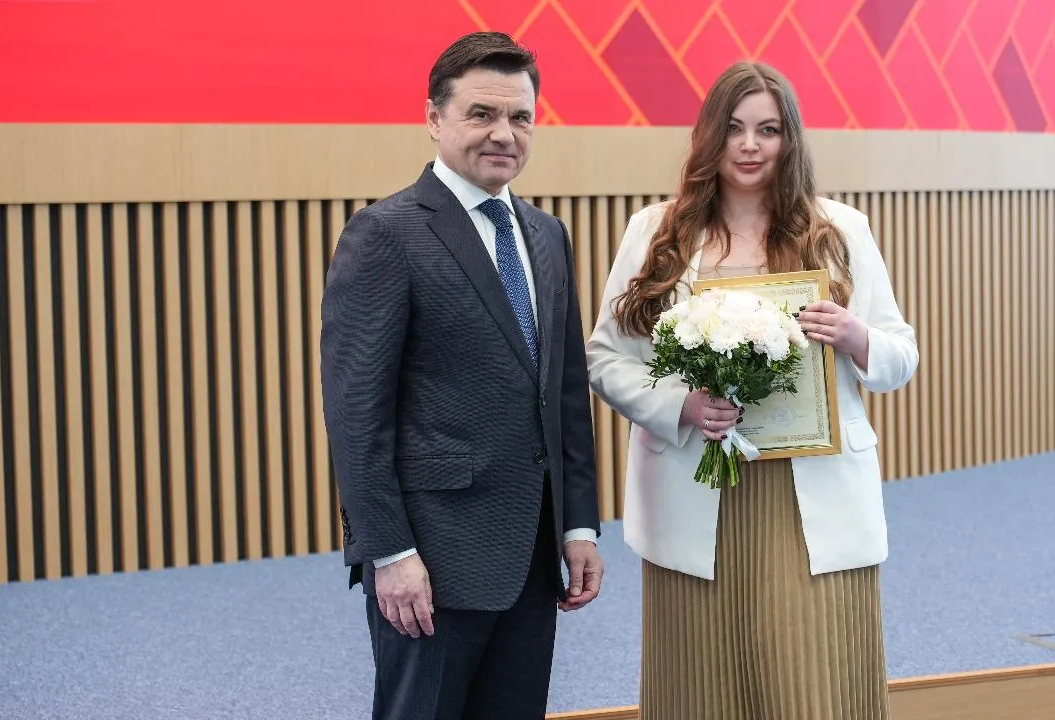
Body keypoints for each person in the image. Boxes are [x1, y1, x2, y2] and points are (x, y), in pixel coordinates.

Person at [586, 61, 918, 718]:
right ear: (709, 135)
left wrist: (856, 336)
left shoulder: (839, 230)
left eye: (768, 130)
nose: (749, 145)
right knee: (702, 683)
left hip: (809, 488)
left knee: (812, 677)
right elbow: (607, 357)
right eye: (734, 128)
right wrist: (680, 406)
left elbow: (900, 355)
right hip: (697, 480)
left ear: (789, 138)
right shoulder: (655, 233)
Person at [320, 31, 604, 720]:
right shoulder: (385, 234)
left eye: (520, 117)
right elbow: (356, 414)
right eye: (482, 114)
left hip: (532, 555)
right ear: (433, 118)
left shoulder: (546, 235)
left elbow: (564, 394)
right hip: (430, 563)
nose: (504, 133)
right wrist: (388, 551)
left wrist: (579, 528)